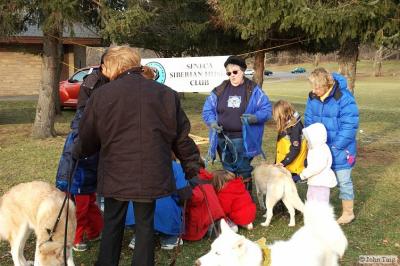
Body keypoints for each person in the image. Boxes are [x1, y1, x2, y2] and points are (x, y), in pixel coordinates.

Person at [76, 46, 201, 266]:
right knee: (144, 226)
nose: (104, 70)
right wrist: (192, 167)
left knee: (113, 223)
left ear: (115, 65)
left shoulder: (102, 96)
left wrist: (78, 151)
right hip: (150, 174)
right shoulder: (166, 94)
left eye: (106, 66)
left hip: (117, 174)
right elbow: (182, 139)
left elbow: (87, 138)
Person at [55, 52, 109, 252]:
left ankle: (95, 231)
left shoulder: (104, 84)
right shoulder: (93, 83)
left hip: (89, 163)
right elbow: (82, 123)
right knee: (79, 204)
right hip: (78, 166)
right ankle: (77, 238)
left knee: (88, 202)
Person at [202, 55, 272, 194]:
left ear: (243, 71)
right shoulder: (219, 89)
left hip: (243, 139)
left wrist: (254, 118)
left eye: (235, 72)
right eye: (229, 73)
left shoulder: (254, 90)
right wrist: (212, 122)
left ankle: (245, 201)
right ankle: (230, 199)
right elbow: (207, 110)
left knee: (243, 171)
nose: (232, 75)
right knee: (227, 171)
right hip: (223, 139)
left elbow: (267, 110)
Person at [304, 67, 359, 224]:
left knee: (344, 180)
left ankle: (348, 212)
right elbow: (309, 119)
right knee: (319, 178)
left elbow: (350, 125)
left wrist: (335, 147)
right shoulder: (313, 97)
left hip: (340, 149)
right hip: (319, 149)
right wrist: (311, 140)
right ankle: (320, 208)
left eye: (317, 87)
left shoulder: (344, 98)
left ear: (326, 84)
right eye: (312, 87)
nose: (313, 90)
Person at [126, 159, 188, 250]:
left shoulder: (137, 163)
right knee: (168, 207)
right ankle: (168, 239)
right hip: (162, 211)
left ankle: (139, 236)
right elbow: (182, 191)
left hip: (134, 211)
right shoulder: (173, 165)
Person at [292, 123, 337, 203]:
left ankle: (320, 215)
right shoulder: (316, 148)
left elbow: (315, 168)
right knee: (311, 199)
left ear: (316, 138)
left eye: (309, 139)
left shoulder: (320, 150)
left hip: (321, 183)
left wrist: (301, 176)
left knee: (319, 203)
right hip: (315, 182)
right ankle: (312, 214)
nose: (307, 141)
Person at [273, 100, 307, 176]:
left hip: (291, 166)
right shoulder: (286, 125)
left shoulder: (295, 128)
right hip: (285, 164)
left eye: (277, 116)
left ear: (283, 114)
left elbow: (295, 149)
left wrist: (284, 162)